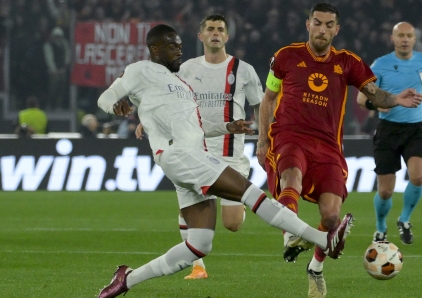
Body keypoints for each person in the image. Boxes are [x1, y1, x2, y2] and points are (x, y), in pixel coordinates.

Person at [96, 24, 353, 298]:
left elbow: (195, 125)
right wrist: (115, 106)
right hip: (180, 155)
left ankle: (126, 279)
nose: (179, 50)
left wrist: (228, 127)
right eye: (173, 45)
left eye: (181, 45)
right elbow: (106, 96)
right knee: (251, 193)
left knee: (199, 244)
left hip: (189, 157)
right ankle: (323, 239)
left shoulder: (181, 84)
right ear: (155, 48)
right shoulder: (140, 70)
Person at [257, 4, 422, 298]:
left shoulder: (348, 62)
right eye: (318, 23)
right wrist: (262, 141)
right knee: (291, 176)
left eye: (329, 25)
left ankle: (315, 269)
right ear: (308, 24)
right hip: (290, 135)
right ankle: (290, 235)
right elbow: (268, 99)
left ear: (337, 29)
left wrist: (396, 99)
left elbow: (375, 95)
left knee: (332, 216)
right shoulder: (285, 56)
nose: (323, 29)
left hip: (328, 146)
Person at [139, 14, 264, 280]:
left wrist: (265, 136)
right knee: (190, 207)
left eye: (220, 29)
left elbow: (260, 105)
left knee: (231, 224)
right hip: (194, 151)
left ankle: (234, 205)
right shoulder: (186, 69)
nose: (215, 33)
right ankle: (198, 267)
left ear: (227, 37)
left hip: (231, 154)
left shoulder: (244, 70)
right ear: (201, 36)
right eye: (210, 29)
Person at [356, 22, 422, 246]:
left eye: (409, 35)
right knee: (385, 191)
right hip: (388, 131)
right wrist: (377, 106)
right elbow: (362, 99)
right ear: (392, 39)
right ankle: (381, 228)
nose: (405, 39)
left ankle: (405, 220)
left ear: (414, 39)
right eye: (400, 35)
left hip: (416, 129)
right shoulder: (380, 65)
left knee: (418, 177)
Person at [43, 26, 71, 110]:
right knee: (52, 89)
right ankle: (50, 105)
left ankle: (59, 105)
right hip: (53, 72)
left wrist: (66, 65)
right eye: (56, 36)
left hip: (62, 70)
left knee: (61, 89)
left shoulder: (64, 44)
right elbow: (49, 58)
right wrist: (53, 69)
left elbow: (67, 54)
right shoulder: (48, 45)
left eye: (59, 36)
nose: (58, 38)